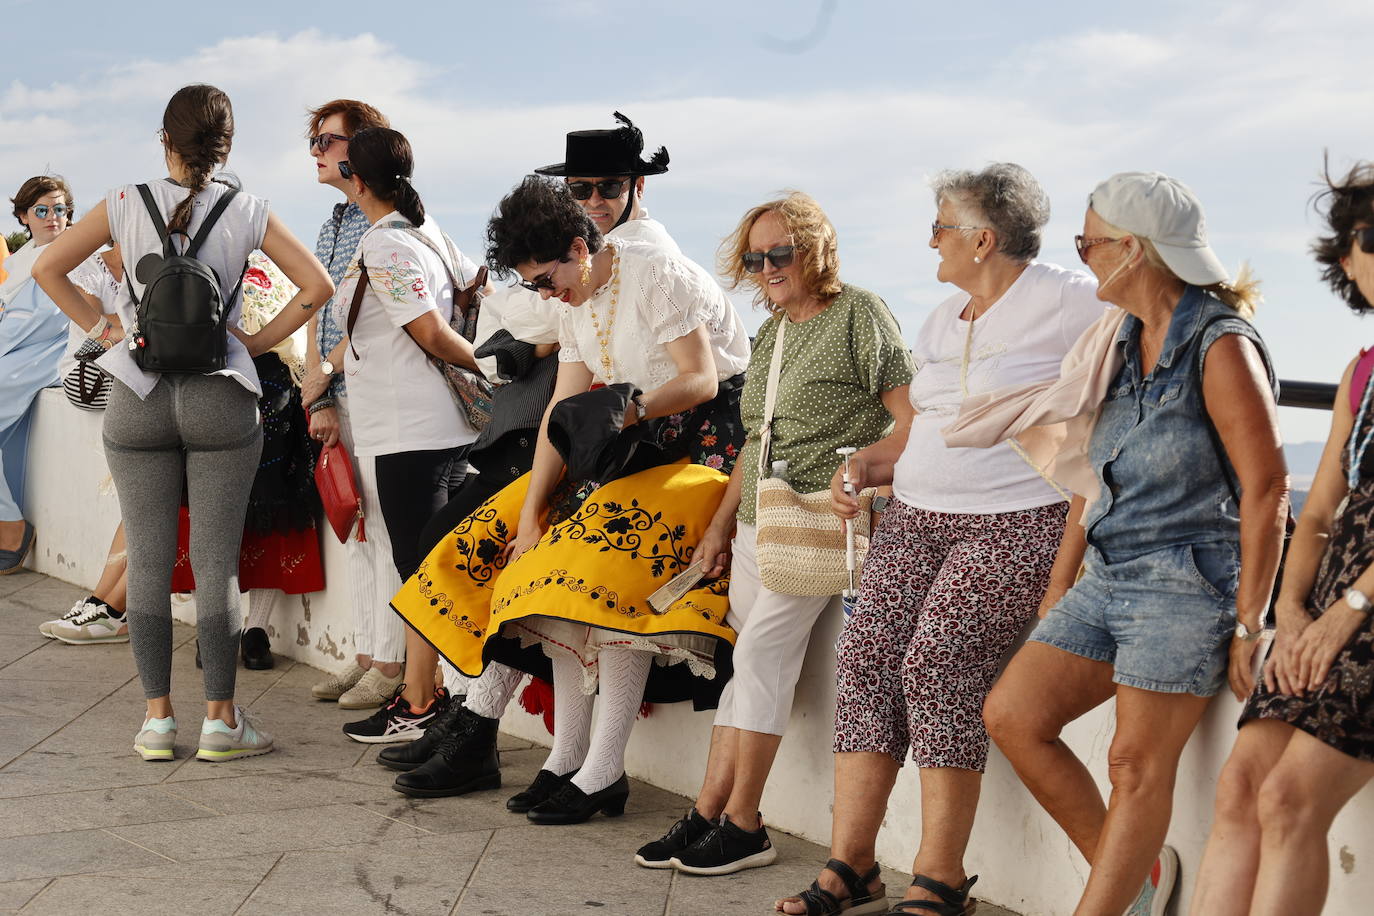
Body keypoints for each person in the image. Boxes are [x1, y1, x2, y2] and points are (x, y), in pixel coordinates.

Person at [775, 163, 1105, 916]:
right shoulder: (939, 318)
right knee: (864, 659)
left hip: (1018, 521)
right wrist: (867, 462)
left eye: (942, 228)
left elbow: (1153, 349)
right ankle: (852, 865)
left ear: (985, 239)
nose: (931, 241)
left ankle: (941, 875)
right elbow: (921, 429)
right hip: (917, 514)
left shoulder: (1066, 299)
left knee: (938, 661)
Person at [390, 175, 750, 823]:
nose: (544, 295)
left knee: (594, 569)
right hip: (628, 441)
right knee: (521, 559)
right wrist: (532, 508)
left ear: (580, 251)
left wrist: (629, 407)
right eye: (532, 286)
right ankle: (564, 758)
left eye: (546, 281)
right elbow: (563, 402)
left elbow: (700, 379)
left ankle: (602, 768)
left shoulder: (657, 275)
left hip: (702, 446)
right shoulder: (578, 296)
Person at [980, 171, 1287, 916]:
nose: (1081, 254)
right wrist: (1062, 584)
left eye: (1090, 242)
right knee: (1013, 718)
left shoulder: (1218, 346)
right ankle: (1138, 881)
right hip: (1109, 572)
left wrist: (1253, 622)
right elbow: (1093, 476)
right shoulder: (1116, 340)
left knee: (1134, 765)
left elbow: (1268, 487)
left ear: (1135, 250)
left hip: (1187, 580)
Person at [374, 113, 686, 786]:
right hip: (589, 437)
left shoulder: (643, 262)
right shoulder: (574, 264)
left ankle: (552, 754)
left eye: (608, 185)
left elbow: (695, 375)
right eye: (581, 187)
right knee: (499, 555)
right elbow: (549, 335)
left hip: (661, 440)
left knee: (564, 582)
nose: (595, 198)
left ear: (636, 187)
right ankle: (495, 729)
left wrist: (612, 404)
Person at [33, 83, 333, 762]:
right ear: (226, 145)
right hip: (219, 393)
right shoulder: (248, 209)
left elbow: (48, 267)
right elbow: (318, 288)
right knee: (215, 562)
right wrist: (253, 345)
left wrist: (104, 327)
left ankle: (158, 722)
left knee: (146, 558)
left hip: (137, 392)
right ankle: (222, 721)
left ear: (164, 140)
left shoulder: (120, 203)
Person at [635, 191, 915, 876]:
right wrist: (719, 528)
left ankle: (743, 822)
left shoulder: (859, 314)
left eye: (780, 253)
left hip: (821, 519)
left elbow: (912, 423)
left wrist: (867, 476)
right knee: (748, 667)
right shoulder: (773, 333)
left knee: (759, 659)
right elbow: (754, 441)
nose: (767, 267)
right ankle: (706, 813)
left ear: (815, 249)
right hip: (763, 519)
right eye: (755, 258)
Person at [1189, 161, 1374, 916]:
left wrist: (1345, 612)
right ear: (1346, 261)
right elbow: (1322, 508)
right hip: (1335, 599)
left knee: (1291, 799)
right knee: (1240, 787)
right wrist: (1290, 612)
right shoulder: (1361, 375)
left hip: (1363, 607)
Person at [327, 125, 485, 740]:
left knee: (417, 569)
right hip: (439, 427)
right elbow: (480, 293)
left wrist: (490, 367)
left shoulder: (388, 247)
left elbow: (431, 334)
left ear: (357, 181)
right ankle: (427, 696)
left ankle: (420, 706)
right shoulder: (431, 235)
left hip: (408, 430)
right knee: (427, 566)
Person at [298, 99, 413, 710]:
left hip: (375, 395)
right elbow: (321, 311)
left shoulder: (389, 227)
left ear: (361, 151)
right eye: (314, 141)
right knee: (359, 531)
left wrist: (325, 379)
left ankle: (389, 663)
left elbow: (377, 321)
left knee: (385, 533)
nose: (317, 151)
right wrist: (319, 390)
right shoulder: (333, 225)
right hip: (340, 396)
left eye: (328, 141)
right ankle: (368, 654)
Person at [0, 176, 88, 574]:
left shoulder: (81, 256)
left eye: (60, 209)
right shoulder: (16, 264)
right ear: (24, 216)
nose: (53, 217)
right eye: (42, 210)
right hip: (16, 355)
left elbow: (38, 325)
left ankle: (12, 528)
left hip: (44, 357)